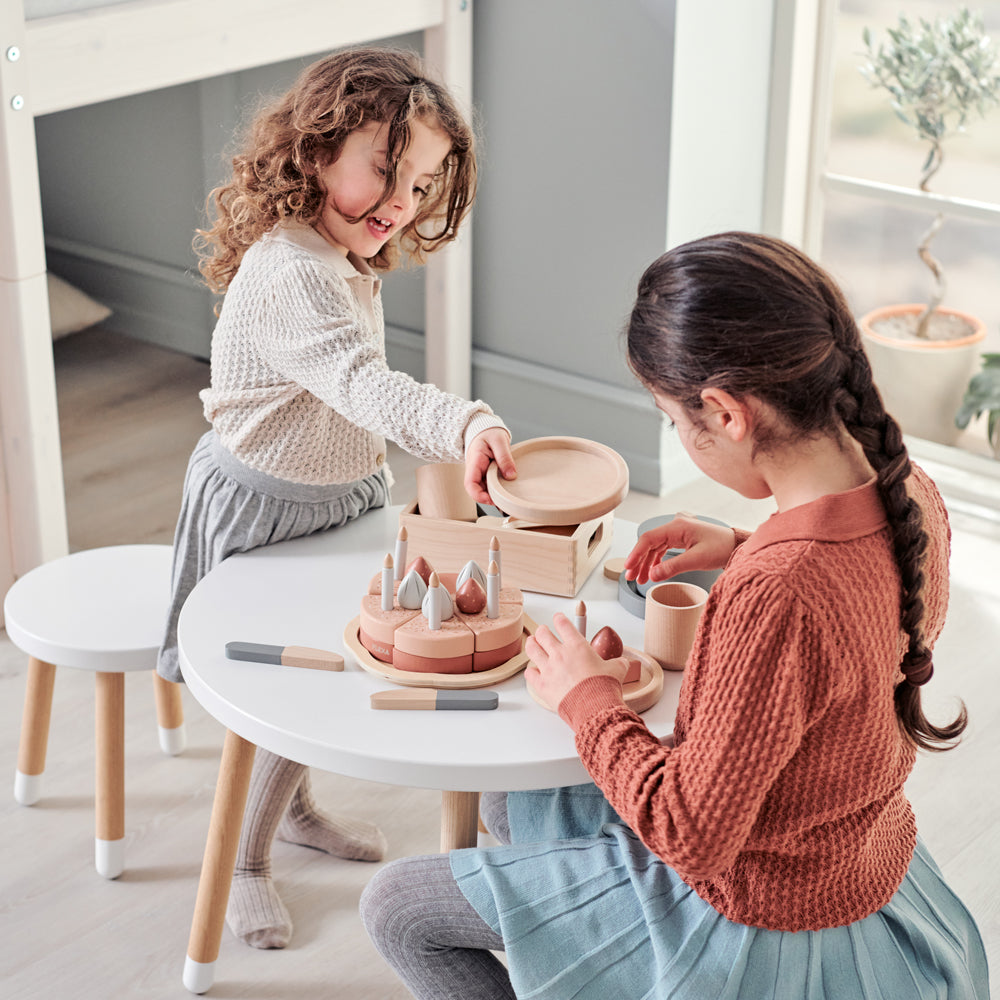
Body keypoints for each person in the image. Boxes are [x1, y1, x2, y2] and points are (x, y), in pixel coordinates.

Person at [360, 232, 989, 999]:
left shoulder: (780, 595)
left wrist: (584, 698)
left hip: (758, 914)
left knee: (396, 908)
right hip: (856, 855)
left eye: (671, 418)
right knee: (511, 799)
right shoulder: (907, 489)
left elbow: (691, 832)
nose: (677, 434)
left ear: (725, 412)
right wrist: (737, 541)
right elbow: (851, 598)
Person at [156, 46, 516, 951]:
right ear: (315, 153)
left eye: (424, 184)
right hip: (269, 510)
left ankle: (296, 806)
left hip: (337, 497)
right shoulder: (293, 272)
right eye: (387, 173)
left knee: (329, 671)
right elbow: (364, 385)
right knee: (281, 691)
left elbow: (351, 395)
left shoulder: (343, 246)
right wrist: (464, 420)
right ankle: (240, 860)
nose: (403, 203)